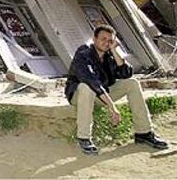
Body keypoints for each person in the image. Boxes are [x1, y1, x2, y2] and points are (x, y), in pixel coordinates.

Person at [65, 24, 168, 155]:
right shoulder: (83, 54)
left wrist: (114, 50)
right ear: (94, 39)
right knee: (86, 86)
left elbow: (127, 73)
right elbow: (92, 81)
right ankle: (84, 137)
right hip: (79, 96)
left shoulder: (109, 55)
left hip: (101, 95)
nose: (106, 43)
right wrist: (111, 106)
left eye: (110, 40)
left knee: (132, 83)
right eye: (103, 39)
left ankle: (144, 133)